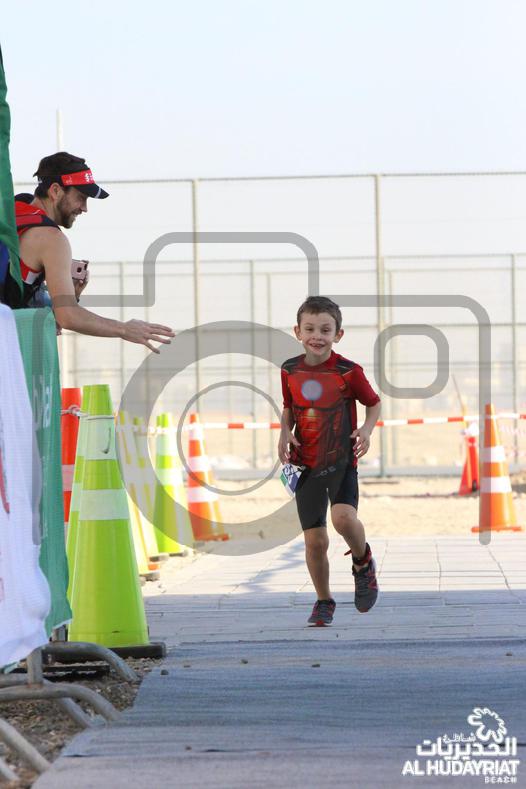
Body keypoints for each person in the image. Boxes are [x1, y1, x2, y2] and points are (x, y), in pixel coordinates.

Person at [278, 296, 382, 626]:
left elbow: (374, 403)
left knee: (343, 519)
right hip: (305, 464)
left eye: (325, 330)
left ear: (338, 334)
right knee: (315, 541)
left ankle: (363, 562)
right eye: (309, 329)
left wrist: (366, 430)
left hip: (341, 461)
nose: (317, 336)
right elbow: (289, 407)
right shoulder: (289, 369)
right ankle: (324, 601)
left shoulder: (348, 371)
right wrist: (284, 433)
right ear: (297, 331)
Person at [11, 151, 174, 353]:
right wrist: (124, 329)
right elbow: (68, 317)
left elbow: (13, 296)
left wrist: (69, 296)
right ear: (55, 191)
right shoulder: (52, 238)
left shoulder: (15, 209)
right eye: (80, 198)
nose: (84, 208)